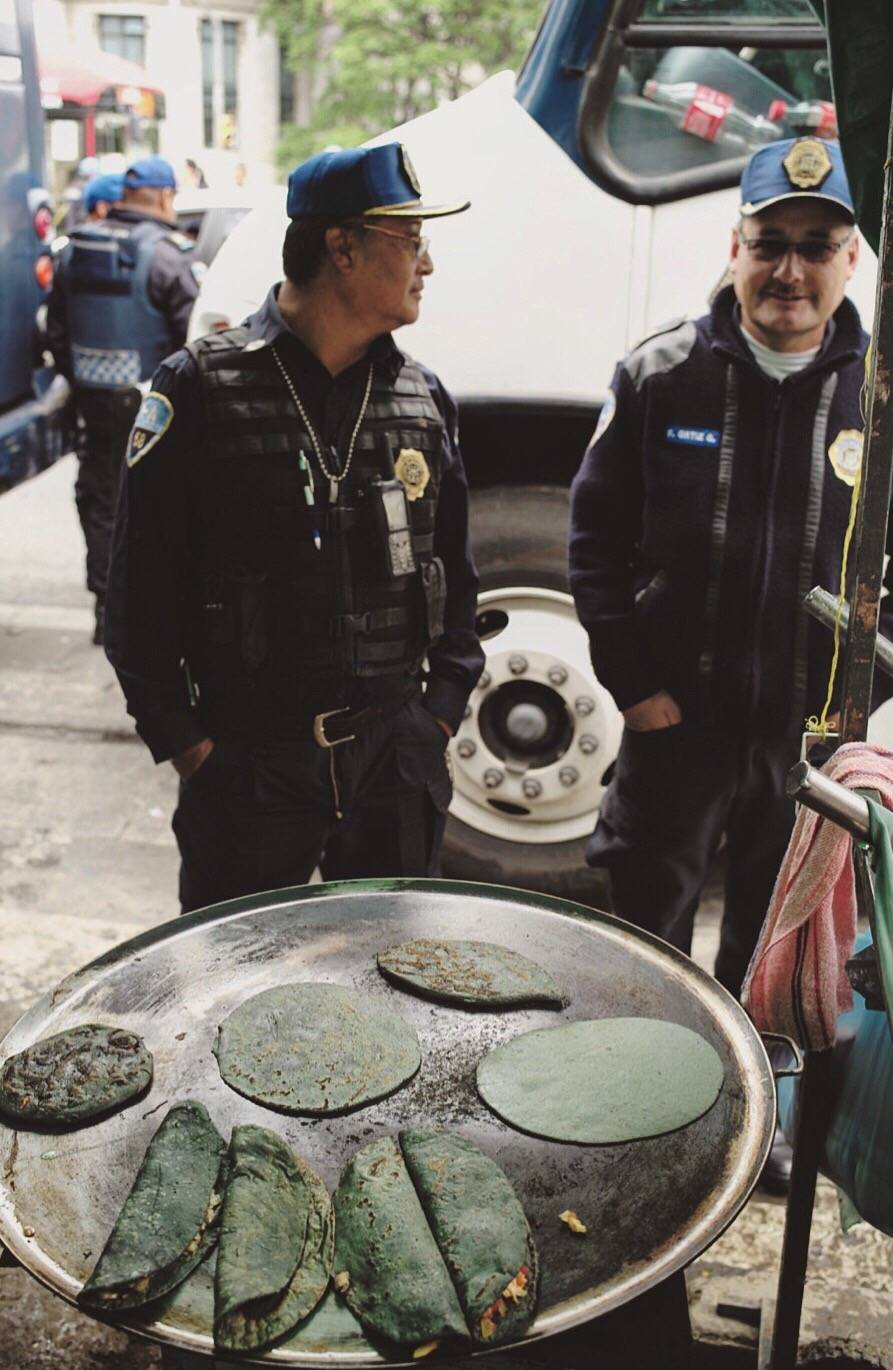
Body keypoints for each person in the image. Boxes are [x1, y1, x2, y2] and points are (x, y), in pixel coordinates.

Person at [569, 137, 893, 1184]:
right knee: (642, 937)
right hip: (677, 726)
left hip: (809, 742)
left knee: (772, 961)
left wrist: (863, 720)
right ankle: (628, 1118)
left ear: (850, 259)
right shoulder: (660, 371)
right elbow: (591, 541)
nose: (787, 271)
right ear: (735, 245)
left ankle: (745, 1136)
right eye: (768, 245)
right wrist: (634, 686)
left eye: (814, 246)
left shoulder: (879, 395)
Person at [104, 142, 484, 914]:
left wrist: (436, 714)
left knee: (395, 978)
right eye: (410, 241)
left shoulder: (421, 397)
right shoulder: (200, 388)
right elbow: (135, 594)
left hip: (396, 759)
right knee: (232, 989)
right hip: (249, 764)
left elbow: (457, 575)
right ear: (341, 248)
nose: (427, 265)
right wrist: (194, 751)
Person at [46, 156, 200, 644]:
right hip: (154, 409)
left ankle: (106, 609)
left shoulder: (73, 250)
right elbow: (193, 343)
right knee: (158, 508)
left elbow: (55, 331)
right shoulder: (168, 257)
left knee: (99, 504)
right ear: (162, 197)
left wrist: (86, 381)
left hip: (94, 406)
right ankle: (148, 617)